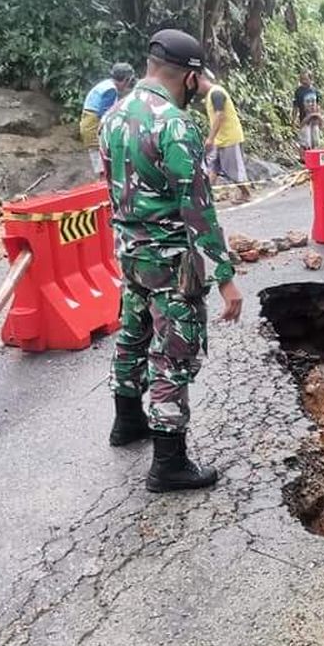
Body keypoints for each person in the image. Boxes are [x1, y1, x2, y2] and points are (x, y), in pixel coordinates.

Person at [99, 29, 244, 493]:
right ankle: (169, 463)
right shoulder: (175, 125)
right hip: (169, 260)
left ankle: (127, 423)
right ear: (191, 76)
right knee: (172, 353)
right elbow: (197, 208)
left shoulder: (113, 117)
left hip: (129, 253)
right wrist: (225, 277)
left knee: (133, 334)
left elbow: (113, 190)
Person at [201, 70, 250, 201]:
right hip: (219, 139)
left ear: (201, 79)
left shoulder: (216, 93)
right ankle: (206, 196)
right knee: (213, 168)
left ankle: (246, 193)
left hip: (229, 138)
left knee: (233, 171)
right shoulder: (211, 95)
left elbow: (219, 115)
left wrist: (210, 138)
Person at [80, 63, 136, 175]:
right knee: (101, 158)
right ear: (126, 80)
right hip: (93, 124)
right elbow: (106, 115)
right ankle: (104, 183)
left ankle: (104, 180)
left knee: (100, 156)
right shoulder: (111, 91)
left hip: (89, 121)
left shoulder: (106, 84)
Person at [292, 71, 324, 150]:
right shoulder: (298, 91)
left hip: (315, 120)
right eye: (302, 79)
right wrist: (293, 119)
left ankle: (314, 158)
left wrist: (321, 119)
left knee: (315, 141)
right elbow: (295, 106)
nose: (304, 81)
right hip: (304, 119)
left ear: (311, 79)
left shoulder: (315, 91)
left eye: (306, 79)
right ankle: (304, 158)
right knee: (306, 142)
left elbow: (319, 106)